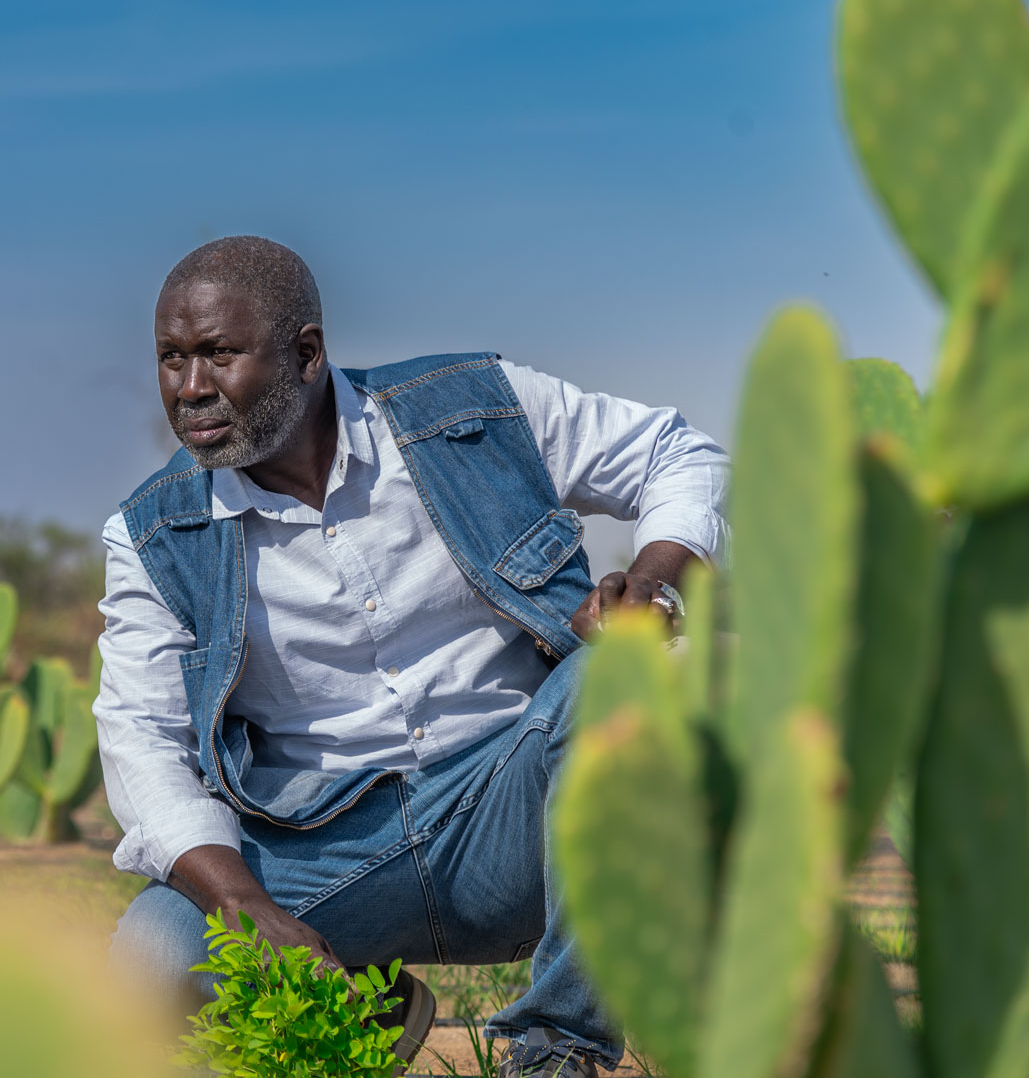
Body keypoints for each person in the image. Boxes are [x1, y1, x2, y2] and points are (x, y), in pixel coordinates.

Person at [97, 236, 728, 1077]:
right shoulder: (152, 535)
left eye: (218, 354)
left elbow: (678, 454)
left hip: (521, 812)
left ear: (307, 354)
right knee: (152, 960)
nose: (190, 389)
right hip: (327, 848)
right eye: (171, 360)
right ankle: (361, 1012)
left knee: (627, 676)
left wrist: (652, 584)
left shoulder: (474, 411)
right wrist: (247, 907)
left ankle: (557, 1043)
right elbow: (141, 739)